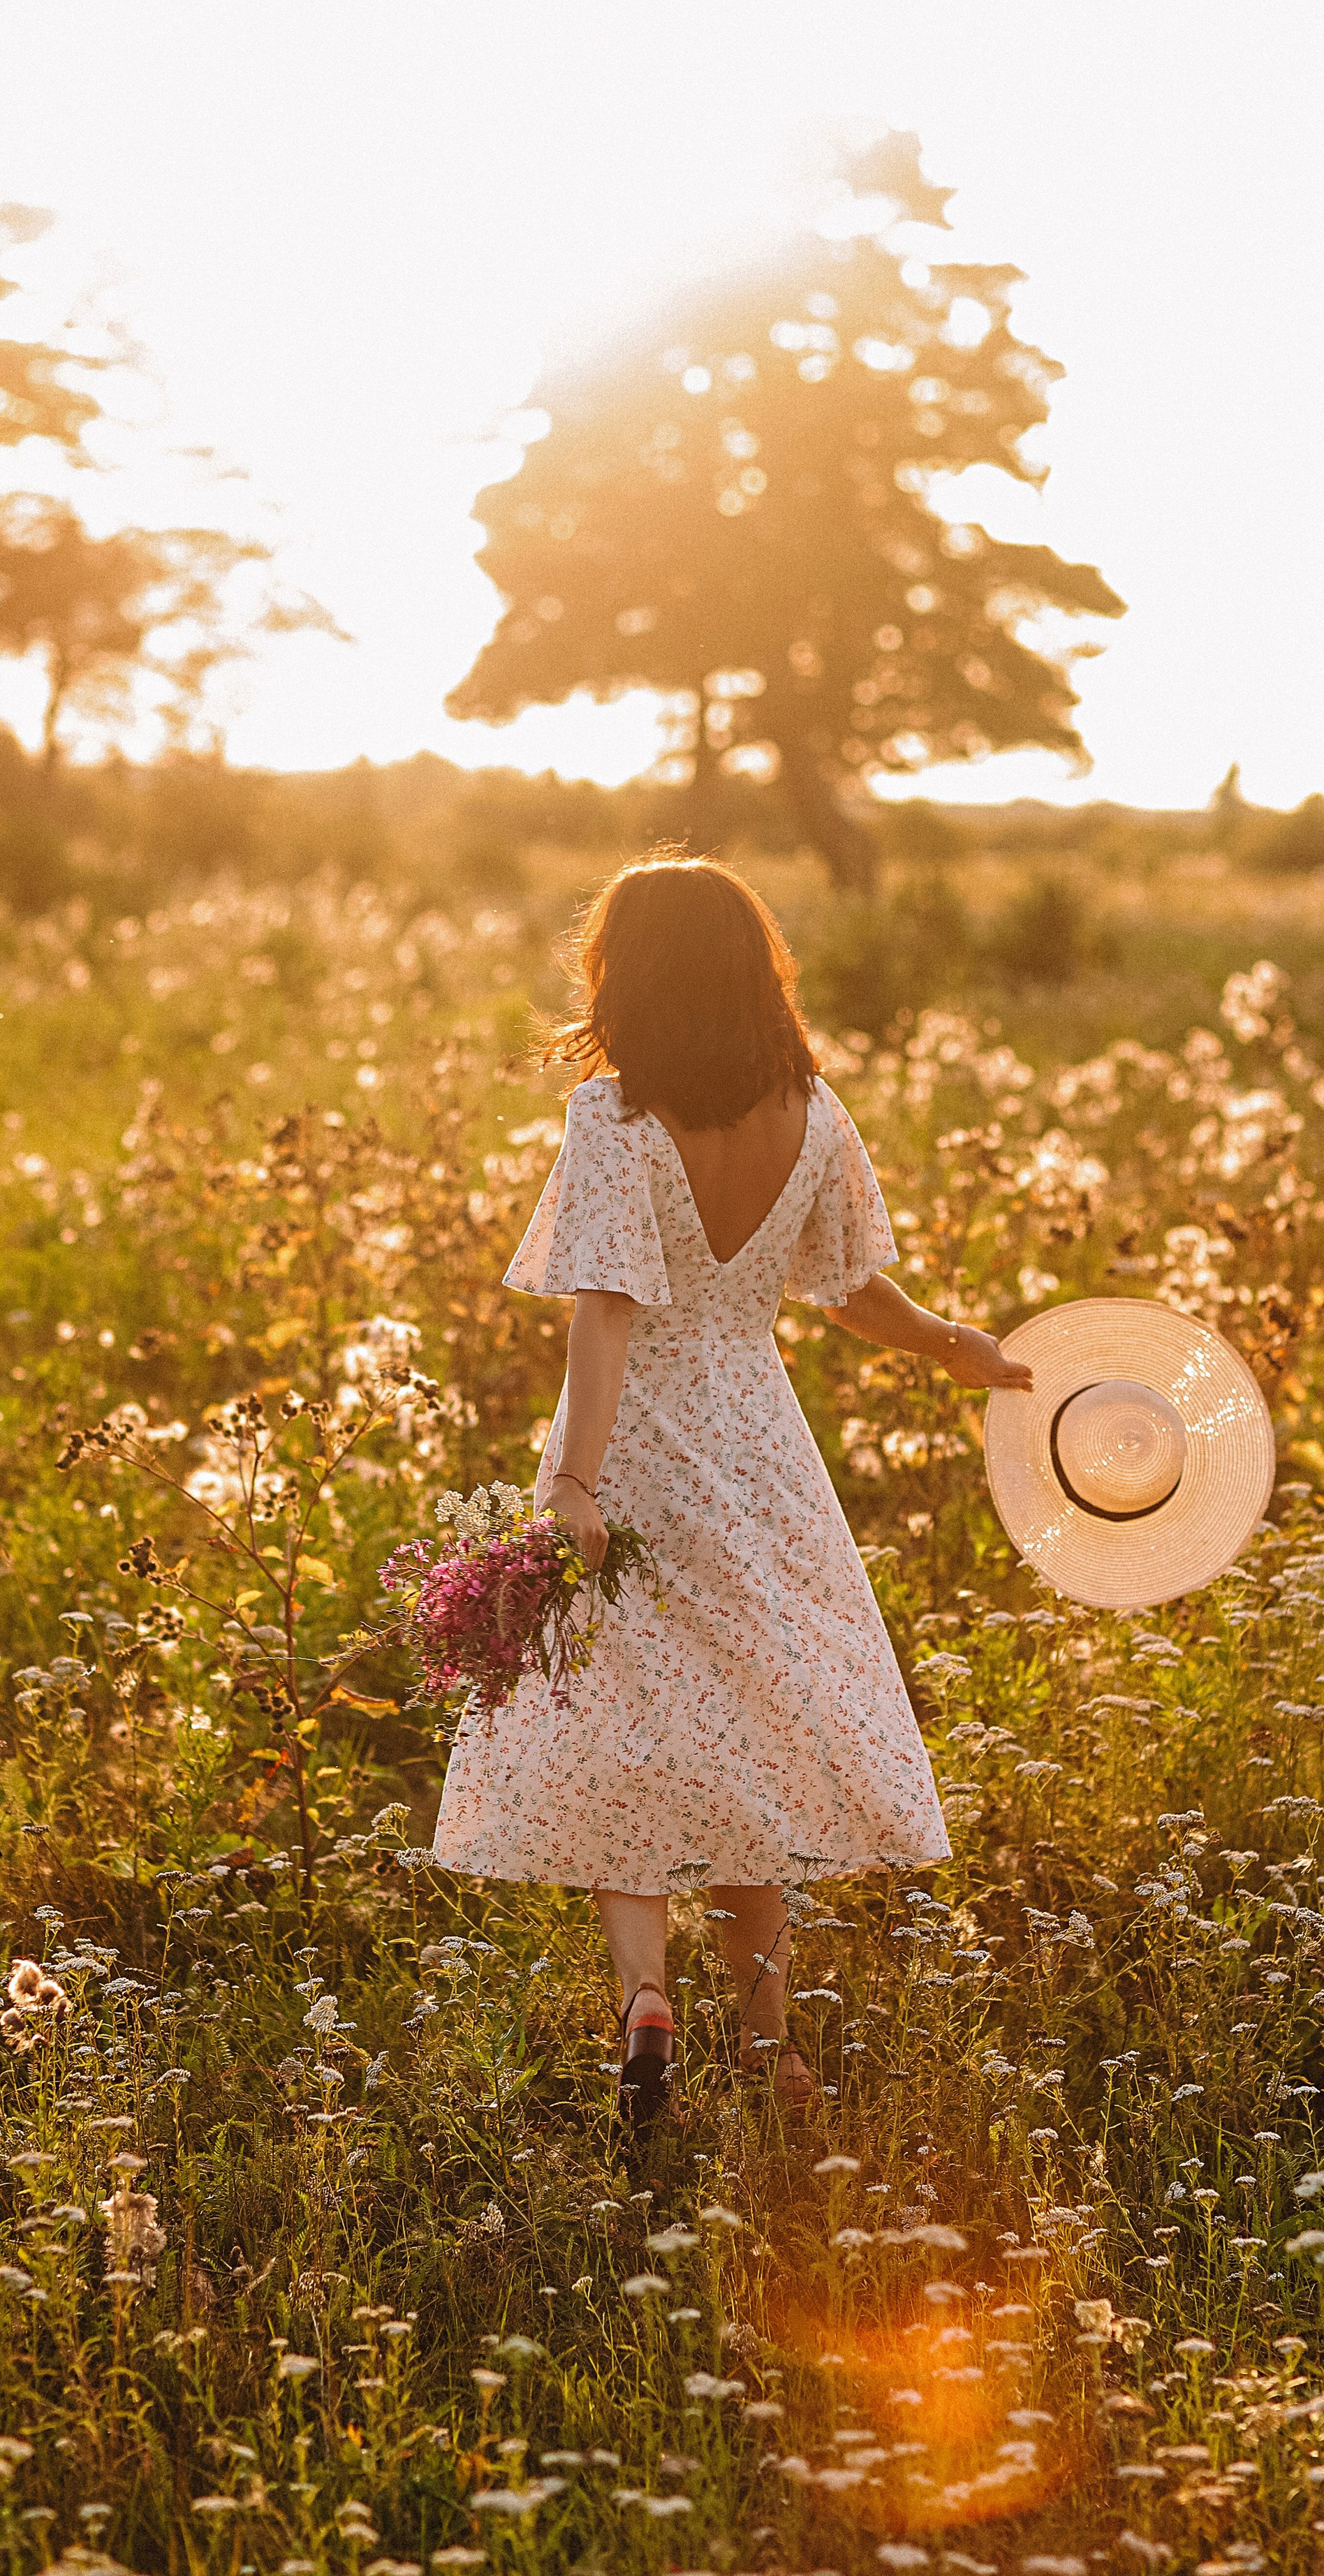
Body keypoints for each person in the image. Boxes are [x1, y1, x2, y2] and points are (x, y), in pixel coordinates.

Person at [430, 854, 1032, 2119]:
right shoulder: (810, 1111)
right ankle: (769, 2041)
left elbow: (606, 1313)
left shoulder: (616, 1116)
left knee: (622, 1724)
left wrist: (574, 1483)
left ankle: (644, 1995)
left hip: (641, 1437)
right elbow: (854, 1290)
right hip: (759, 1444)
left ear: (629, 976)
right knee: (753, 1726)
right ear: (759, 971)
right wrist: (956, 1347)